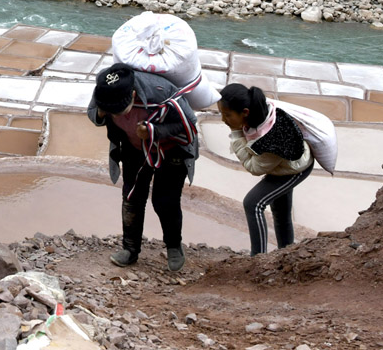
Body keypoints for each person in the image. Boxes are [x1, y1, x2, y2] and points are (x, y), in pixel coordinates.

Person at [87, 62, 198, 272]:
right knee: (131, 196)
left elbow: (190, 125)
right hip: (133, 147)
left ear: (134, 93)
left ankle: (174, 246)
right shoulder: (104, 89)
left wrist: (154, 131)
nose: (118, 116)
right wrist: (102, 113)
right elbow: (92, 112)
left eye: (120, 110)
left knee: (165, 200)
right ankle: (130, 250)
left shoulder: (161, 91)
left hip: (171, 149)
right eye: (113, 112)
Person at [217, 83, 314, 256]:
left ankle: (258, 259)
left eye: (227, 115)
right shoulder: (260, 112)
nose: (223, 120)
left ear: (245, 112)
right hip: (282, 165)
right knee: (280, 211)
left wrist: (236, 134)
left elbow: (254, 167)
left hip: (293, 170)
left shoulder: (272, 138)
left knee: (253, 203)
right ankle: (285, 255)